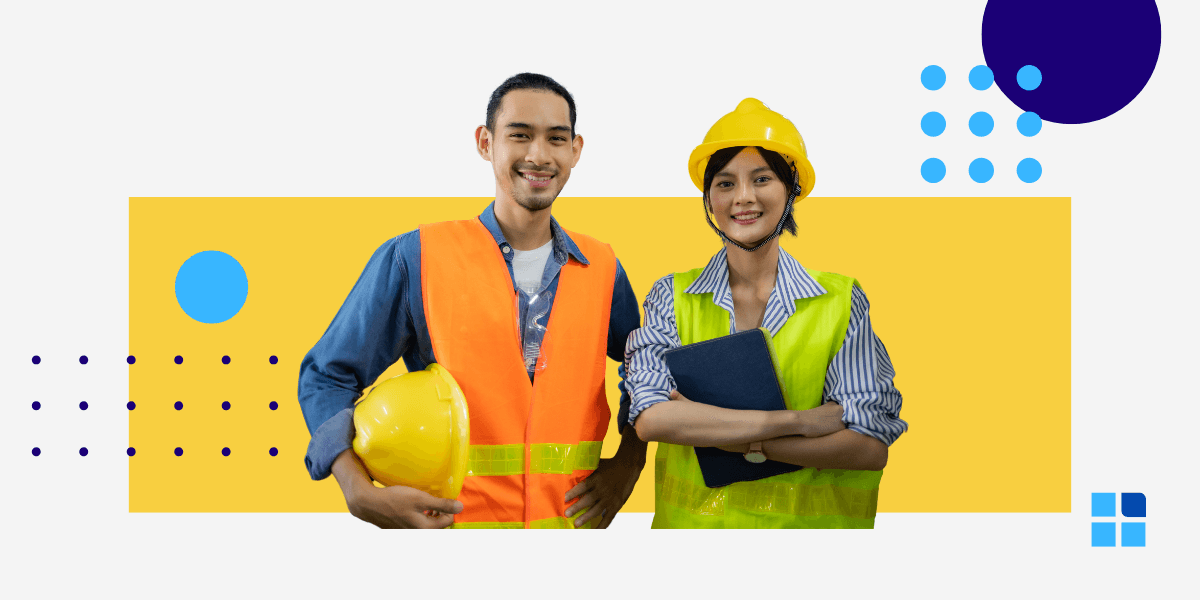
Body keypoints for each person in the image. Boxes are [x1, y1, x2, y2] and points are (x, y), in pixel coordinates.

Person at [298, 73, 646, 529]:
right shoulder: (416, 257)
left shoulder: (603, 267)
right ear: (486, 143)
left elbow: (648, 372)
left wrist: (630, 462)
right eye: (519, 135)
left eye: (556, 139)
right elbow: (327, 375)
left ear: (575, 150)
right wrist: (355, 488)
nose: (539, 155)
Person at [624, 98, 908, 528]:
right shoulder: (671, 296)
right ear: (709, 198)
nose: (743, 197)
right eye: (725, 183)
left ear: (791, 191)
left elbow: (868, 447)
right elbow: (652, 418)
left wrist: (739, 442)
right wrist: (800, 422)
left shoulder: (841, 301)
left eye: (762, 179)